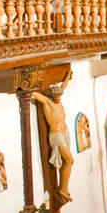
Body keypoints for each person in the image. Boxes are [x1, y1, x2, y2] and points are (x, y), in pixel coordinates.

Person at [32, 77, 73, 205]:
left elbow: (64, 86)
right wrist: (26, 85)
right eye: (55, 97)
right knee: (69, 160)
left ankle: (63, 188)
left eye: (59, 96)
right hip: (57, 136)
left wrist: (67, 77)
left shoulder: (59, 101)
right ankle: (63, 189)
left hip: (64, 133)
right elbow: (36, 95)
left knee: (65, 162)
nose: (57, 98)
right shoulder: (48, 103)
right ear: (51, 95)